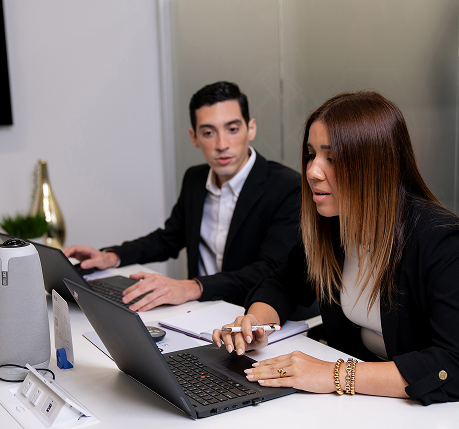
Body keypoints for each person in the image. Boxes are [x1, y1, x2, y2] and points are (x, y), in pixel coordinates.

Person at [212, 92, 459, 419]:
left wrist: (333, 374)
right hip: (385, 409)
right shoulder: (335, 226)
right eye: (311, 154)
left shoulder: (441, 239)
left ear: (375, 166)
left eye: (331, 158)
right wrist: (255, 323)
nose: (313, 171)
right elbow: (282, 283)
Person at [64, 82, 301, 311]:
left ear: (251, 128)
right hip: (199, 313)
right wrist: (111, 257)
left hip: (258, 316)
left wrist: (191, 287)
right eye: (208, 132)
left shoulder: (287, 186)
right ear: (194, 137)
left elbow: (271, 272)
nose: (221, 144)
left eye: (232, 129)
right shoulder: (195, 179)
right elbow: (168, 239)